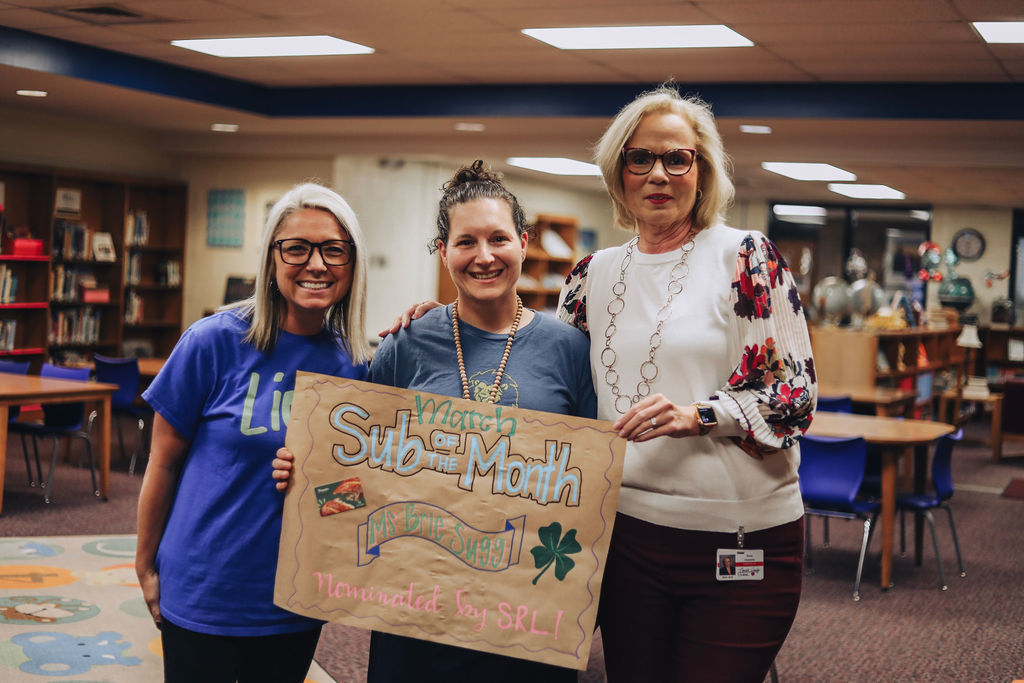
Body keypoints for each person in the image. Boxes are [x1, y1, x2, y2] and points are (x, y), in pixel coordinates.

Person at [274, 161, 594, 682]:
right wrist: (313, 480)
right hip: (414, 604)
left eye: (498, 239)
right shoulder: (404, 345)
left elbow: (585, 488)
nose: (484, 256)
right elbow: (358, 473)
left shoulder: (570, 350)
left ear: (523, 242)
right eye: (466, 242)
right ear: (443, 251)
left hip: (527, 611)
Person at [556, 83, 816, 681]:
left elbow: (794, 397)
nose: (658, 174)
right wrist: (436, 321)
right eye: (639, 158)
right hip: (624, 537)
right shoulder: (592, 274)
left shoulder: (745, 256)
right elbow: (546, 365)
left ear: (701, 171)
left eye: (677, 158)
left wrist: (701, 414)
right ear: (618, 170)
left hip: (741, 536)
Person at [136, 182, 373, 683]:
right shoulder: (212, 342)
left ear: (353, 263)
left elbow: (348, 496)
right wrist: (145, 564)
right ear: (271, 258)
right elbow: (162, 462)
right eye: (297, 248)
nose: (316, 264)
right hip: (205, 585)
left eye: (334, 249)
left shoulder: (356, 367)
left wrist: (318, 481)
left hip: (293, 595)